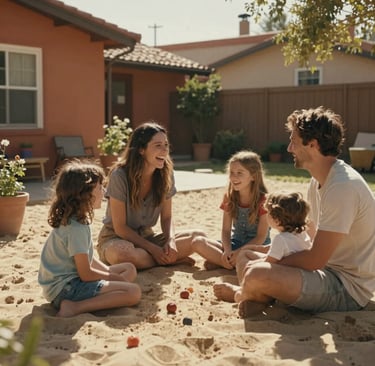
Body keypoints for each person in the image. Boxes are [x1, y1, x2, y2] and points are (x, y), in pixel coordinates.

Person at [214, 106, 375, 317]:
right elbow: (309, 239)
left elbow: (315, 259)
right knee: (246, 254)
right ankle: (259, 296)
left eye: (294, 141)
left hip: (345, 287)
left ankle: (241, 294)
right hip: (323, 270)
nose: (289, 148)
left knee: (256, 272)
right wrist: (271, 254)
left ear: (313, 145)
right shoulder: (318, 180)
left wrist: (271, 261)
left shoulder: (342, 187)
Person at [38, 160, 141, 317]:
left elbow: (88, 259)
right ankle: (75, 307)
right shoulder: (75, 229)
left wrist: (108, 274)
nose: (105, 192)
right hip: (66, 289)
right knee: (133, 292)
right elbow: (86, 273)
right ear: (84, 194)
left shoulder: (76, 220)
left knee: (129, 268)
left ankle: (105, 294)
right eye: (100, 187)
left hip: (68, 282)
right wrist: (113, 278)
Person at [97, 121, 205, 269]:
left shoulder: (166, 174)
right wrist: (154, 250)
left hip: (147, 238)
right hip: (116, 239)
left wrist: (170, 240)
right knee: (123, 255)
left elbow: (167, 217)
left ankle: (155, 260)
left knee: (198, 237)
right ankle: (167, 260)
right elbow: (120, 227)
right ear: (141, 149)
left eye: (166, 145)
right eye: (158, 145)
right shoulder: (119, 176)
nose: (164, 150)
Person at [192, 150, 270, 270]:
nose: (234, 177)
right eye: (232, 172)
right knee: (198, 242)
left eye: (240, 173)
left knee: (212, 263)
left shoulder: (264, 201)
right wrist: (227, 251)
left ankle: (227, 263)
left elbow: (260, 237)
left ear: (253, 176)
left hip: (256, 248)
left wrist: (239, 252)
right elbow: (226, 230)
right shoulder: (229, 197)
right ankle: (229, 263)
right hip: (235, 244)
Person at [233, 191, 312, 306]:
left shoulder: (281, 239)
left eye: (268, 213)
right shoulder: (301, 234)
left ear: (277, 220)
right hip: (295, 276)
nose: (266, 215)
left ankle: (246, 291)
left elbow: (268, 263)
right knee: (247, 253)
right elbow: (280, 251)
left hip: (281, 279)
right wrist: (257, 248)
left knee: (245, 259)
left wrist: (253, 263)